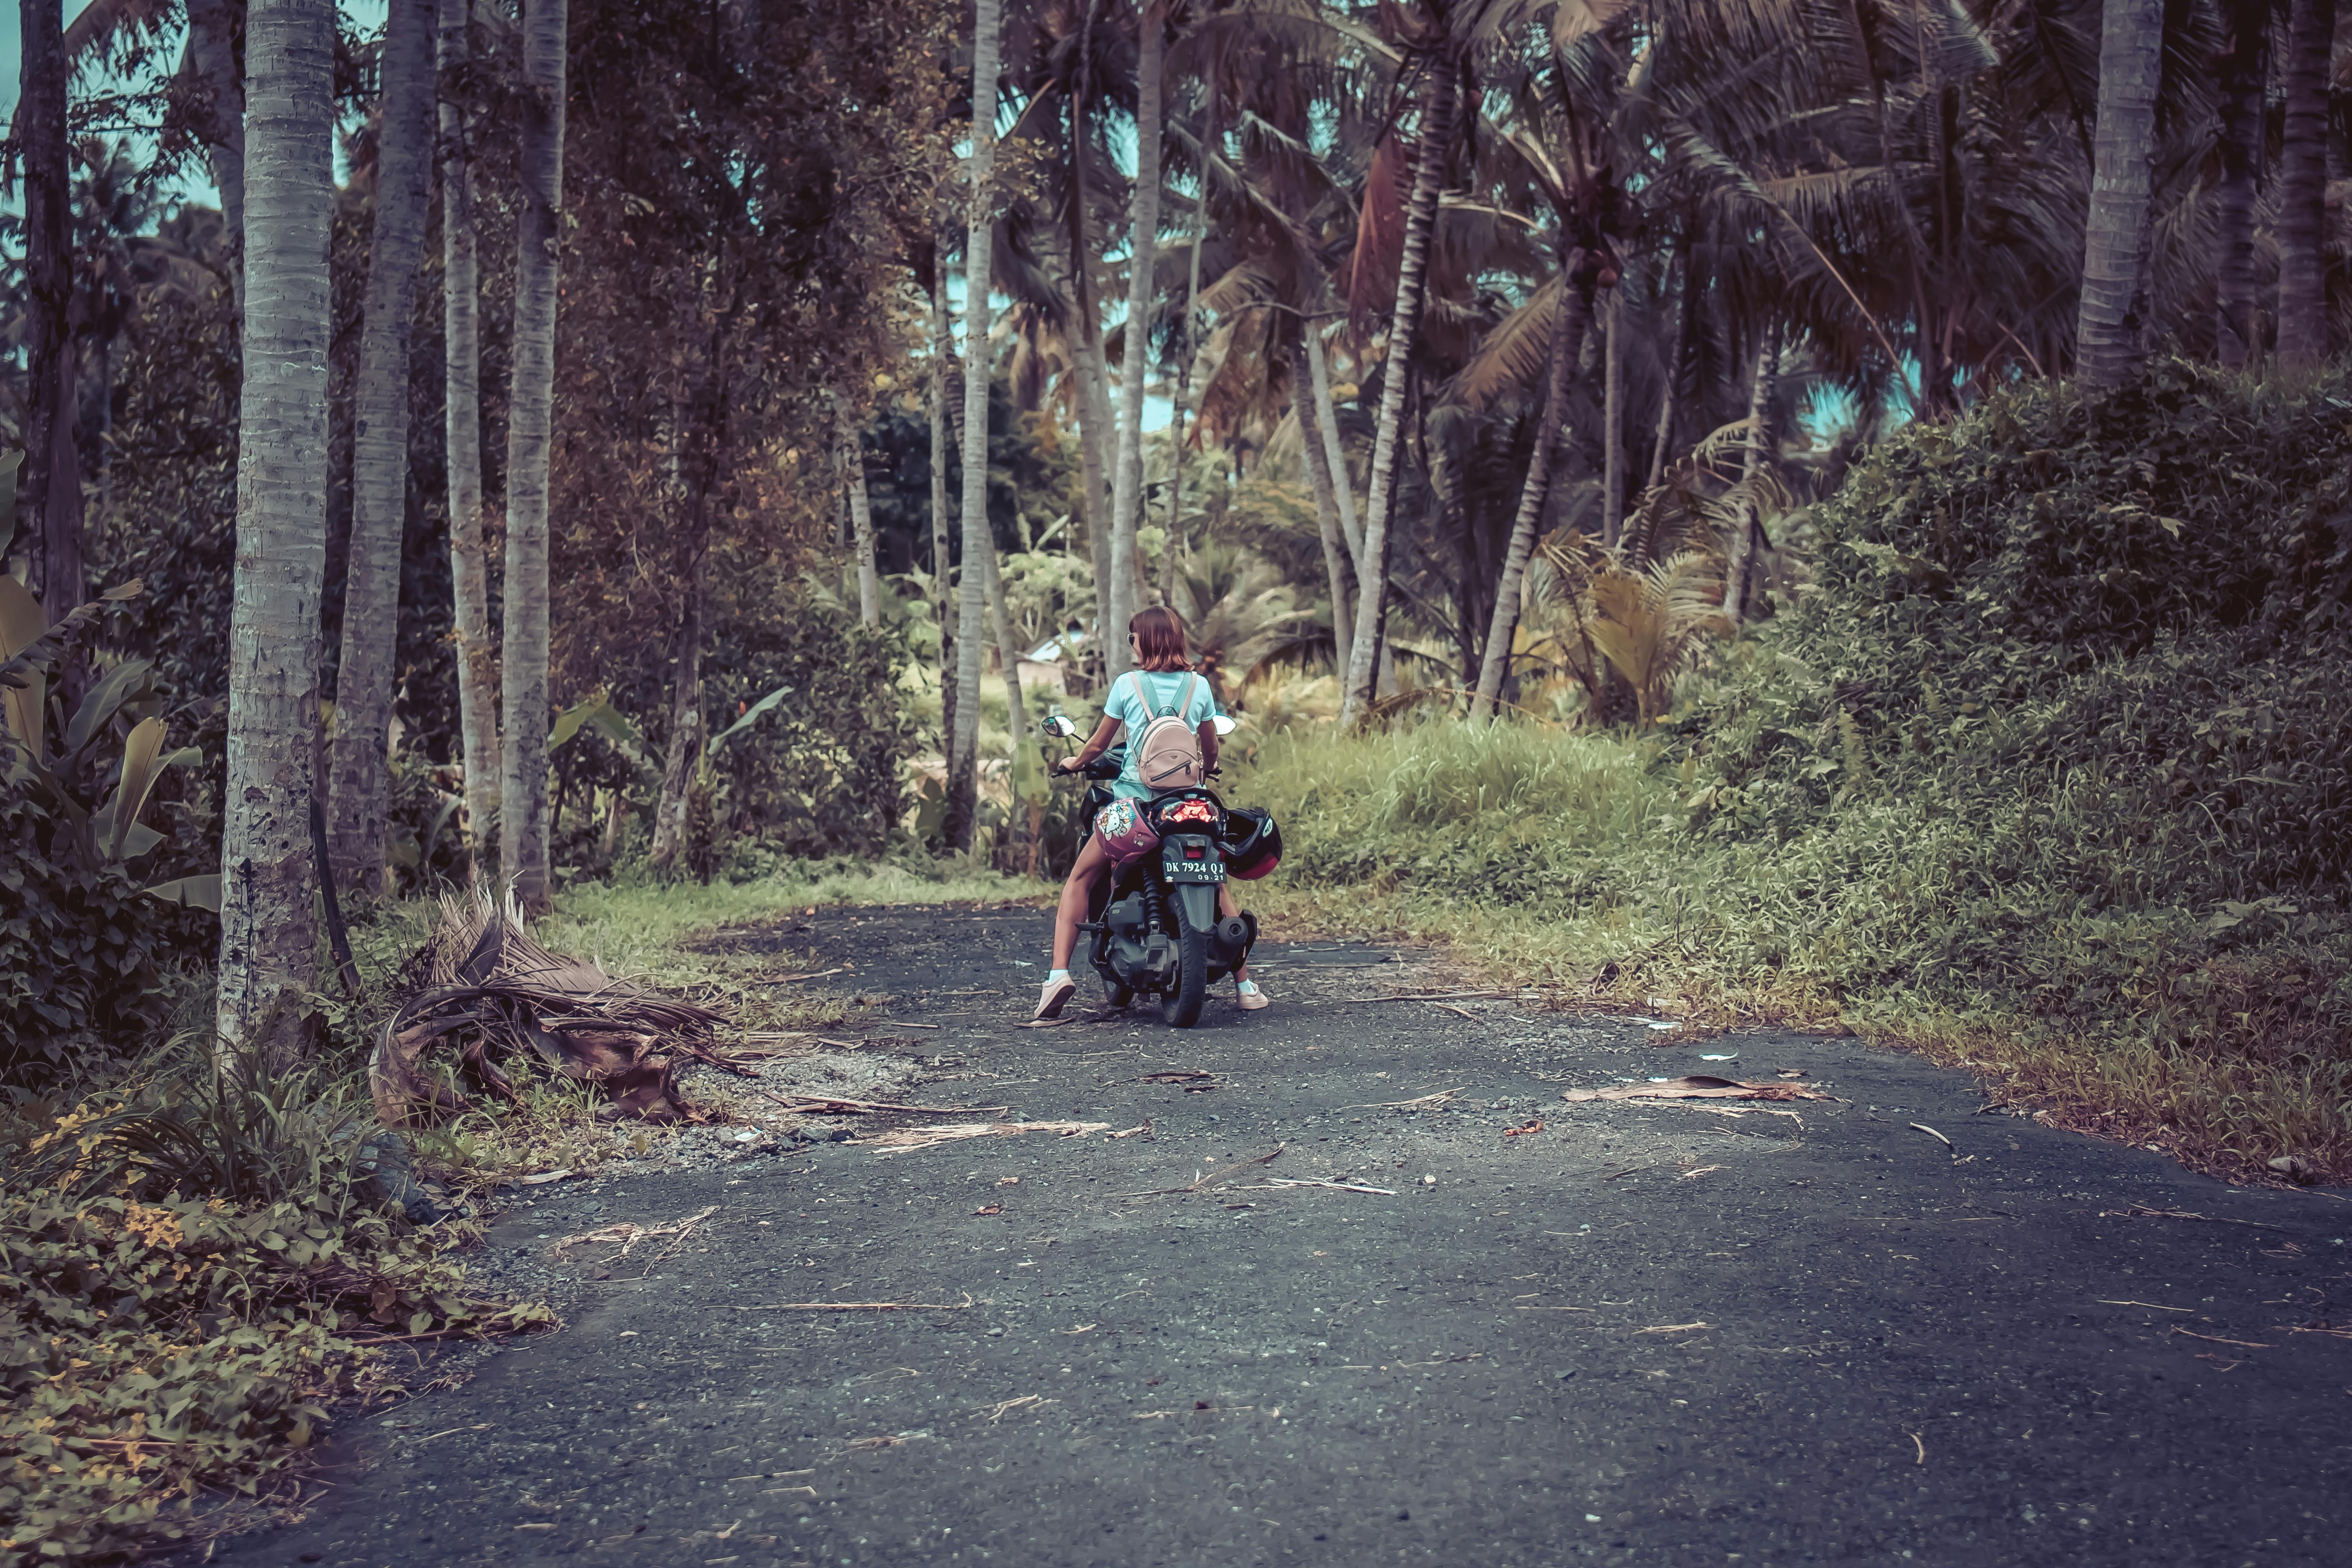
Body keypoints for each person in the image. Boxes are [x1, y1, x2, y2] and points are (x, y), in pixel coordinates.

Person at [1033, 606, 1267, 1020]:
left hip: (1134, 806)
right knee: (1216, 884)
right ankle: (1246, 986)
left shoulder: (1127, 685)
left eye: (1133, 636)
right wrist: (1208, 768)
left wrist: (1074, 762)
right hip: (1192, 804)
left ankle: (1058, 975)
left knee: (1081, 878)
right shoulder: (1199, 687)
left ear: (1146, 640)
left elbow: (1098, 746)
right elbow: (1210, 748)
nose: (1132, 644)